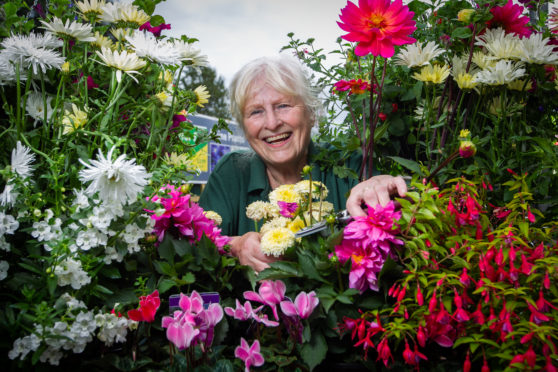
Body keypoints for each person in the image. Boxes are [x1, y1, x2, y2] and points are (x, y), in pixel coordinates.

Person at [199, 55, 407, 272]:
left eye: (283, 105)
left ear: (311, 114)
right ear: (243, 125)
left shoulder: (350, 165)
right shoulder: (231, 174)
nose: (272, 123)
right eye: (256, 111)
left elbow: (405, 209)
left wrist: (386, 187)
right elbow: (196, 245)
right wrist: (236, 246)